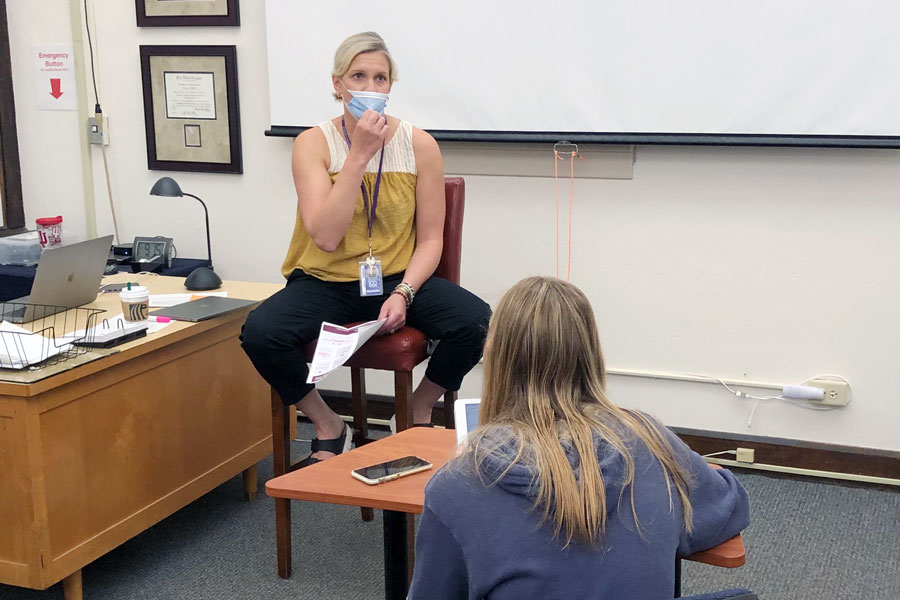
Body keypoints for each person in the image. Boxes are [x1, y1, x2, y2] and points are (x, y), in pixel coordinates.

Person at [408, 276, 749, 600]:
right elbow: (729, 508)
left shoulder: (456, 487)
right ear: (592, 355)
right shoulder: (650, 441)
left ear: (496, 358)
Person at [241, 32, 490, 465]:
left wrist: (404, 293)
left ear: (391, 86)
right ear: (338, 84)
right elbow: (326, 236)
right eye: (359, 76)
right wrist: (357, 156)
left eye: (381, 78)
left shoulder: (420, 145)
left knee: (477, 321)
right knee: (261, 333)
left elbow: (431, 239)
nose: (371, 89)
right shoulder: (312, 145)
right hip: (326, 279)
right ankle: (326, 422)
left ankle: (415, 407)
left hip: (395, 278)